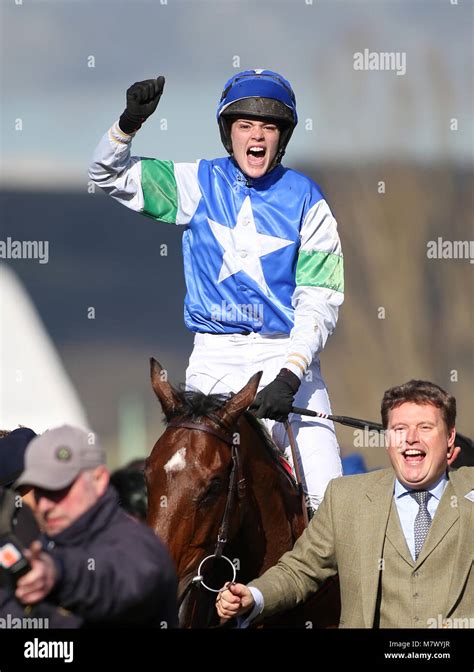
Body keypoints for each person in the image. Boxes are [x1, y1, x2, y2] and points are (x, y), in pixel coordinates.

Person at [89, 69, 344, 512]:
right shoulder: (198, 183)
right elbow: (107, 175)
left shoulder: (308, 200)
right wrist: (128, 124)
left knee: (329, 502)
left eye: (268, 126)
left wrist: (291, 373)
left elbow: (319, 299)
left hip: (288, 359)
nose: (257, 136)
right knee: (183, 495)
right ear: (229, 134)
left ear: (283, 136)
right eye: (245, 125)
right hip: (213, 361)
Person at [216, 380, 474, 628]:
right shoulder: (345, 498)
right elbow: (299, 570)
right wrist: (254, 596)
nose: (411, 438)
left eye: (425, 428)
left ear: (450, 437)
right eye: (399, 429)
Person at [13, 425, 178, 627]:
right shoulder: (41, 547)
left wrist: (58, 572)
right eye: (39, 492)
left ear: (99, 479)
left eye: (57, 489)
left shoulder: (138, 545)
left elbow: (120, 579)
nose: (45, 505)